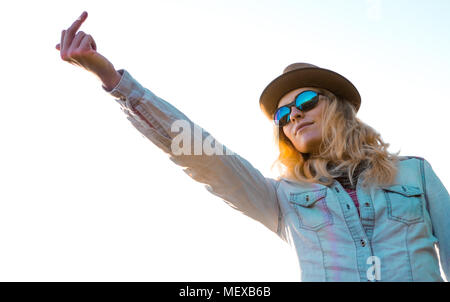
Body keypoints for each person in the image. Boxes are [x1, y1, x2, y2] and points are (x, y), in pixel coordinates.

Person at [56, 11, 449, 282]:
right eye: (282, 115)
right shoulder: (282, 198)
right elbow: (198, 152)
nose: (293, 116)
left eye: (306, 101)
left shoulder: (414, 172)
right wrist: (111, 78)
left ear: (339, 107)